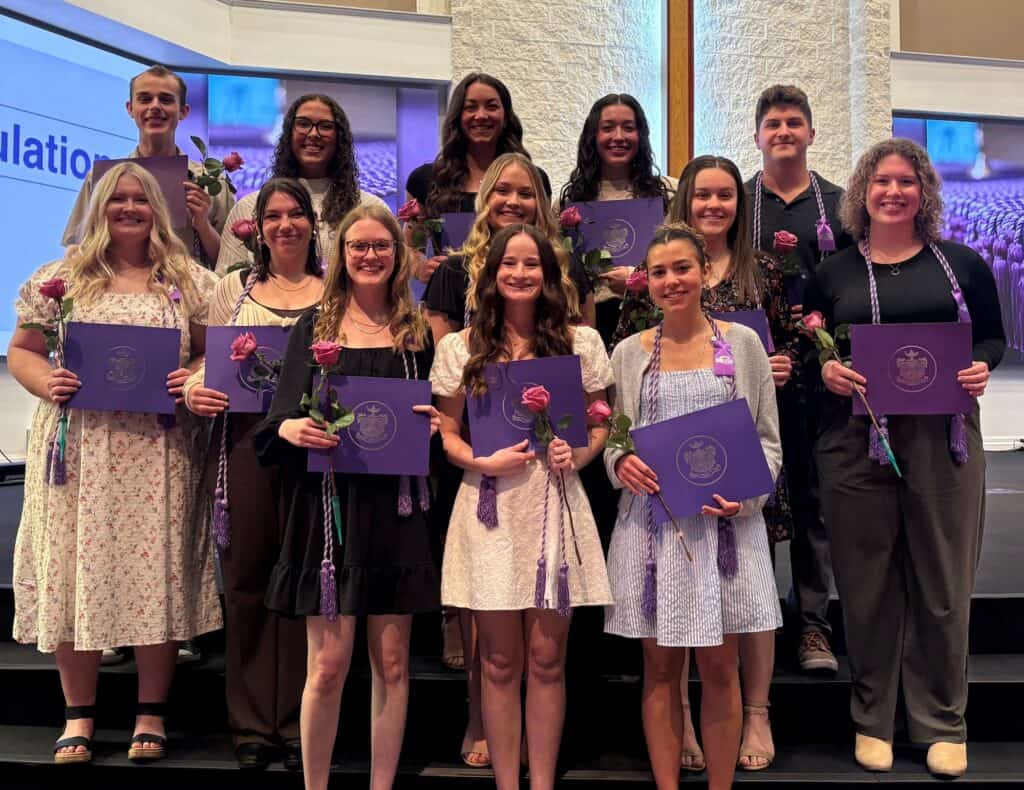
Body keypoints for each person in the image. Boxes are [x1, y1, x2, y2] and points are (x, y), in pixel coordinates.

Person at [803, 139, 1004, 778]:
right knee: (866, 584)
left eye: (906, 182)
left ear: (924, 192)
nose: (893, 192)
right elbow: (814, 346)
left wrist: (982, 367)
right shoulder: (833, 272)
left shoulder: (963, 264)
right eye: (881, 182)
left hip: (944, 437)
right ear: (862, 192)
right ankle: (873, 717)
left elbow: (993, 337)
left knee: (943, 582)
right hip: (855, 441)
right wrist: (828, 368)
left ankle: (943, 720)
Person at [9, 161, 222, 764]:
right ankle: (78, 714)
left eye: (141, 200)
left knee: (157, 572)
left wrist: (195, 375)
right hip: (78, 452)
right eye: (117, 200)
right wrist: (47, 380)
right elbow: (22, 350)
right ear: (98, 208)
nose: (129, 209)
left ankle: (150, 712)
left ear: (158, 209)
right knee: (74, 569)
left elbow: (213, 357)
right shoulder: (61, 277)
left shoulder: (189, 280)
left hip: (159, 452)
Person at [610, 156, 796, 771]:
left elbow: (769, 441)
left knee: (721, 665)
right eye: (658, 272)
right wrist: (621, 467)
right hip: (653, 531)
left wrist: (749, 497)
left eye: (682, 268)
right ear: (648, 281)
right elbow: (616, 439)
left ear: (701, 272)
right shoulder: (628, 353)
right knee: (661, 669)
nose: (671, 281)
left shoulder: (742, 344)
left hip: (727, 529)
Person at [254, 203, 441, 790]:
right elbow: (279, 415)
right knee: (329, 666)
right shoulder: (316, 327)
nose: (369, 255)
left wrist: (437, 426)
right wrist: (291, 428)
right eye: (358, 246)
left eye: (381, 245)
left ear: (398, 253)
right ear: (342, 255)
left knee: (391, 663)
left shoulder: (417, 332)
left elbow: (441, 416)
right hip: (328, 513)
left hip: (396, 512)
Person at [422, 151, 594, 768]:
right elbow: (445, 430)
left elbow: (597, 423)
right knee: (496, 660)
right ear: (489, 274)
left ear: (550, 274)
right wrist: (478, 460)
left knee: (547, 660)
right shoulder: (459, 348)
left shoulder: (581, 342)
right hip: (489, 505)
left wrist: (581, 451)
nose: (520, 273)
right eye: (508, 264)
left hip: (554, 506)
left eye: (533, 263)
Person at [183, 179, 324, 770]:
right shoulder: (231, 290)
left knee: (301, 583)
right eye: (273, 215)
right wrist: (194, 388)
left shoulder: (335, 293)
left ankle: (298, 722)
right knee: (243, 579)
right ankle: (249, 724)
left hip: (315, 450)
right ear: (257, 226)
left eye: (296, 214)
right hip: (242, 442)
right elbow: (202, 362)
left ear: (313, 226)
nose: (285, 224)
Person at [747, 84, 853, 675]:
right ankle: (757, 615)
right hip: (747, 374)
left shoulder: (840, 206)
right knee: (752, 495)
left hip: (820, 375)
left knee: (814, 499)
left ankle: (813, 624)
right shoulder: (738, 201)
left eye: (794, 123)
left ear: (811, 133)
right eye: (773, 124)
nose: (783, 132)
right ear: (758, 135)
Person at [63, 64, 233, 269]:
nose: (155, 106)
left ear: (183, 111)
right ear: (130, 109)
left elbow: (234, 267)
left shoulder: (212, 184)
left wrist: (203, 226)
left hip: (191, 296)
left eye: (166, 99)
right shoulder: (102, 180)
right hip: (118, 296)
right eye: (144, 99)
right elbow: (76, 254)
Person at [405, 72, 553, 285]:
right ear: (457, 116)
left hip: (516, 295)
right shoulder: (426, 179)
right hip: (448, 300)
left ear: (506, 116)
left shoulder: (533, 179)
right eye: (471, 107)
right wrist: (420, 267)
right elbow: (408, 246)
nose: (481, 115)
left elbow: (546, 240)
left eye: (491, 106)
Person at [216, 94, 388, 274]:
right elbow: (227, 283)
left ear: (340, 137)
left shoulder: (370, 208)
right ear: (288, 133)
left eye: (325, 126)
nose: (313, 134)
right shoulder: (250, 207)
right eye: (303, 124)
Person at [559, 93, 676, 346]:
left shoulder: (669, 192)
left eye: (629, 128)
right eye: (608, 128)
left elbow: (683, 259)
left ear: (641, 135)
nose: (619, 137)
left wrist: (638, 278)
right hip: (590, 323)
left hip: (656, 319)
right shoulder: (568, 200)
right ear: (593, 136)